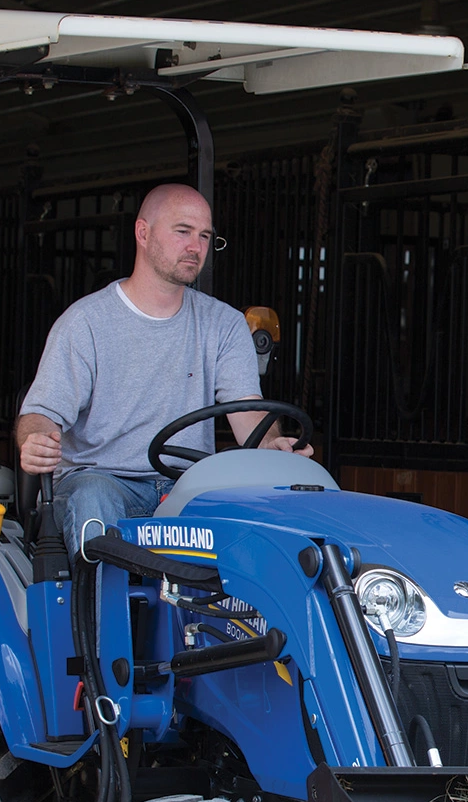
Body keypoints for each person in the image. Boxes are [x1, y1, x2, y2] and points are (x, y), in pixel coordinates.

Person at [16, 183, 309, 543]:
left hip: (189, 485)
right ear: (143, 232)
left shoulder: (225, 323)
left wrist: (272, 446)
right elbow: (40, 415)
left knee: (249, 510)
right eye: (183, 231)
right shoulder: (86, 322)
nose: (195, 247)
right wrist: (33, 440)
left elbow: (247, 412)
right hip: (104, 483)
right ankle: (99, 599)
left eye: (204, 236)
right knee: (94, 495)